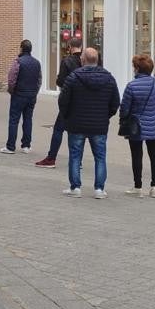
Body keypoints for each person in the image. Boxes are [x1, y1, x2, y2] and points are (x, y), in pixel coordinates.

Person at [59, 48, 120, 199]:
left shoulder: (73, 77)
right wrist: (105, 116)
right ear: (97, 60)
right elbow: (115, 103)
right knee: (100, 157)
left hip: (76, 123)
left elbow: (63, 101)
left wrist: (67, 116)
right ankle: (99, 189)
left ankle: (75, 187)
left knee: (75, 156)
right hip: (99, 125)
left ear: (83, 60)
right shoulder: (109, 78)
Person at [119, 54, 155, 198]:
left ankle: (138, 186)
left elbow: (125, 108)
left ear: (137, 68)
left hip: (136, 125)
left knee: (137, 155)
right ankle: (154, 187)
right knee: (154, 154)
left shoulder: (131, 86)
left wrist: (123, 119)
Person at [34, 38, 83, 169]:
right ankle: (78, 160)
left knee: (58, 129)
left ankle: (51, 158)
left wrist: (59, 80)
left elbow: (61, 81)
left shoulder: (67, 61)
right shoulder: (85, 61)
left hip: (68, 101)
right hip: (83, 101)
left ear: (70, 47)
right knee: (77, 132)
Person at [0, 40, 41, 154]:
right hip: (31, 95)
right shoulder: (37, 63)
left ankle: (10, 146)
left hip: (19, 95)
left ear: (21, 48)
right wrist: (35, 92)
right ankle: (26, 146)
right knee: (28, 120)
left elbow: (11, 79)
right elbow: (39, 80)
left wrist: (11, 91)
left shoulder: (18, 62)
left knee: (14, 120)